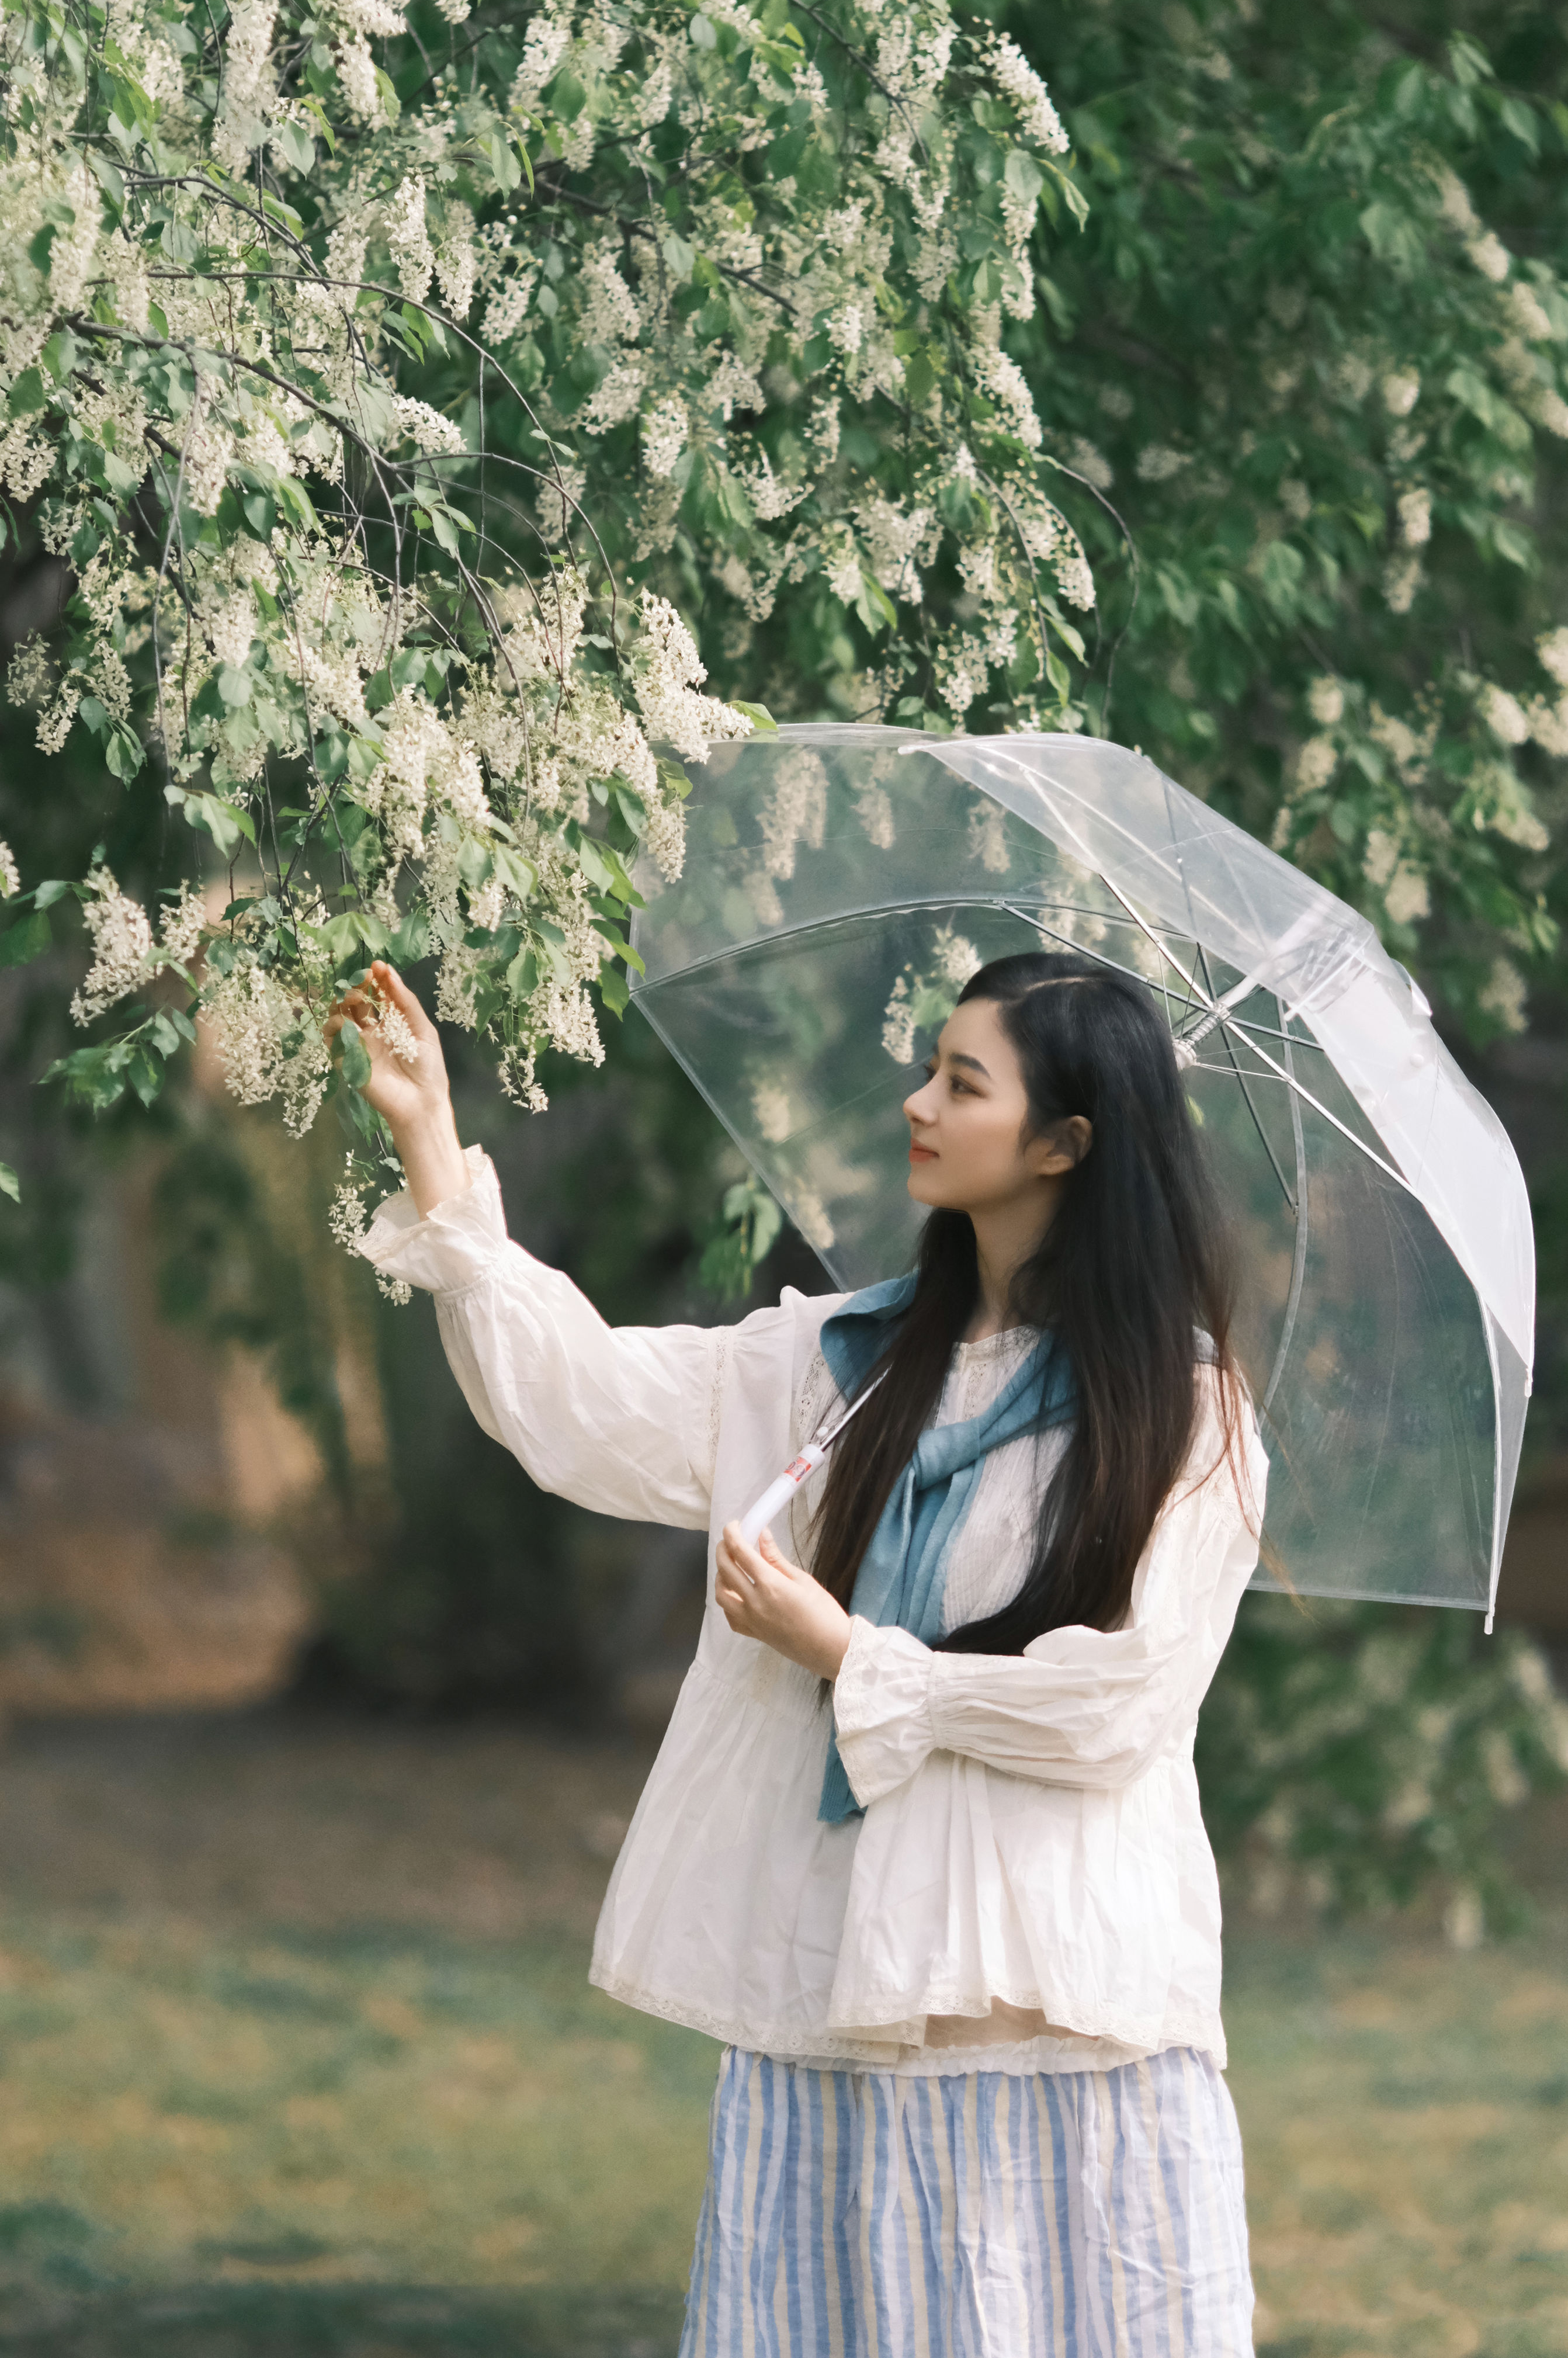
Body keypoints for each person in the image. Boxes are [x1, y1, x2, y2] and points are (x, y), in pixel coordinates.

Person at [334, 947, 1269, 2358]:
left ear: (1067, 1143)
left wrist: (852, 1653)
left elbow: (1118, 1707)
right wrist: (428, 1142)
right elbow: (580, 1404)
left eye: (963, 1082)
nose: (919, 1102)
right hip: (836, 1998)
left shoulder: (1177, 1411)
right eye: (928, 1068)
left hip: (1066, 2017)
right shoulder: (840, 1364)